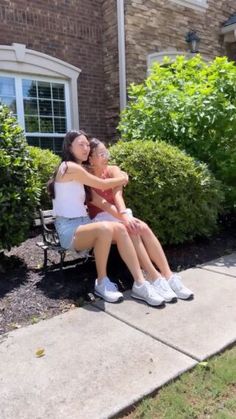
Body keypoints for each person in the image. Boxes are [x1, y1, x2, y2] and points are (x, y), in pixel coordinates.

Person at [48, 130, 166, 307]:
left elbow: (99, 192)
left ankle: (140, 283)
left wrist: (117, 176)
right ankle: (102, 282)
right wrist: (123, 178)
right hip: (69, 230)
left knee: (120, 227)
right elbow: (102, 184)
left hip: (85, 224)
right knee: (105, 228)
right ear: (69, 147)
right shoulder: (69, 167)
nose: (86, 148)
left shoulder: (80, 170)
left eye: (87, 144)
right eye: (80, 144)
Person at [86, 137, 194, 301]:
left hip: (117, 212)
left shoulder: (114, 170)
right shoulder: (87, 177)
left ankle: (168, 275)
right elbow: (102, 204)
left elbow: (117, 196)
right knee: (131, 227)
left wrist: (124, 215)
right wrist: (123, 218)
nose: (106, 156)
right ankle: (154, 276)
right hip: (100, 219)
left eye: (106, 152)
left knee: (141, 226)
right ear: (90, 158)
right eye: (101, 153)